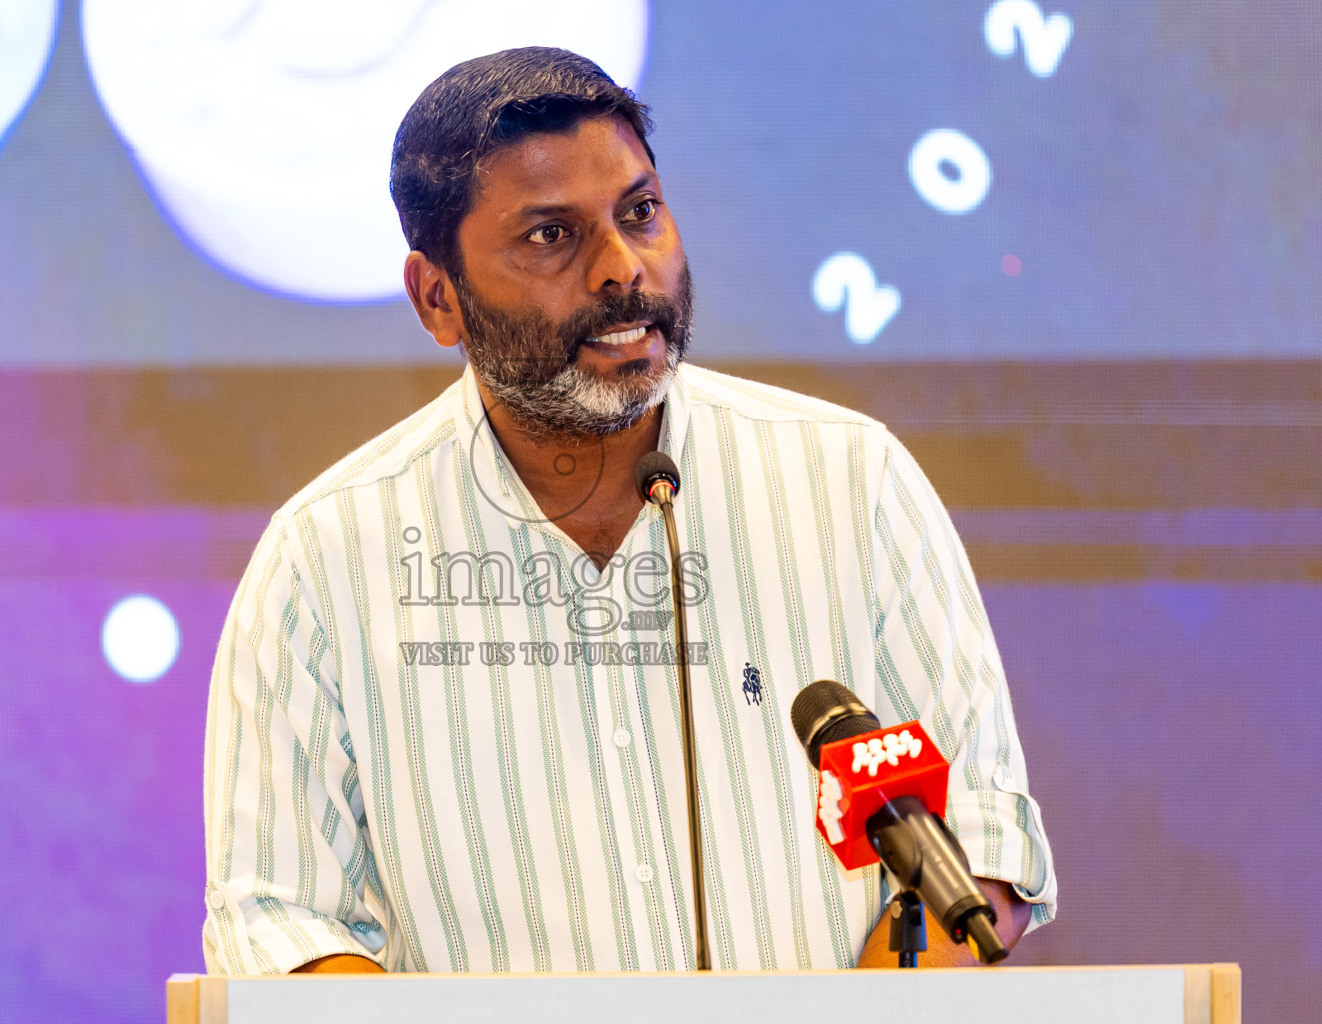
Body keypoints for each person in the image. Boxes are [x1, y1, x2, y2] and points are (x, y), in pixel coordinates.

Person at [202, 46, 1056, 975]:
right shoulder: (325, 560)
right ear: (437, 297)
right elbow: (280, 924)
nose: (622, 268)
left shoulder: (852, 482)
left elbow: (978, 846)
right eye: (550, 236)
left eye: (640, 213)